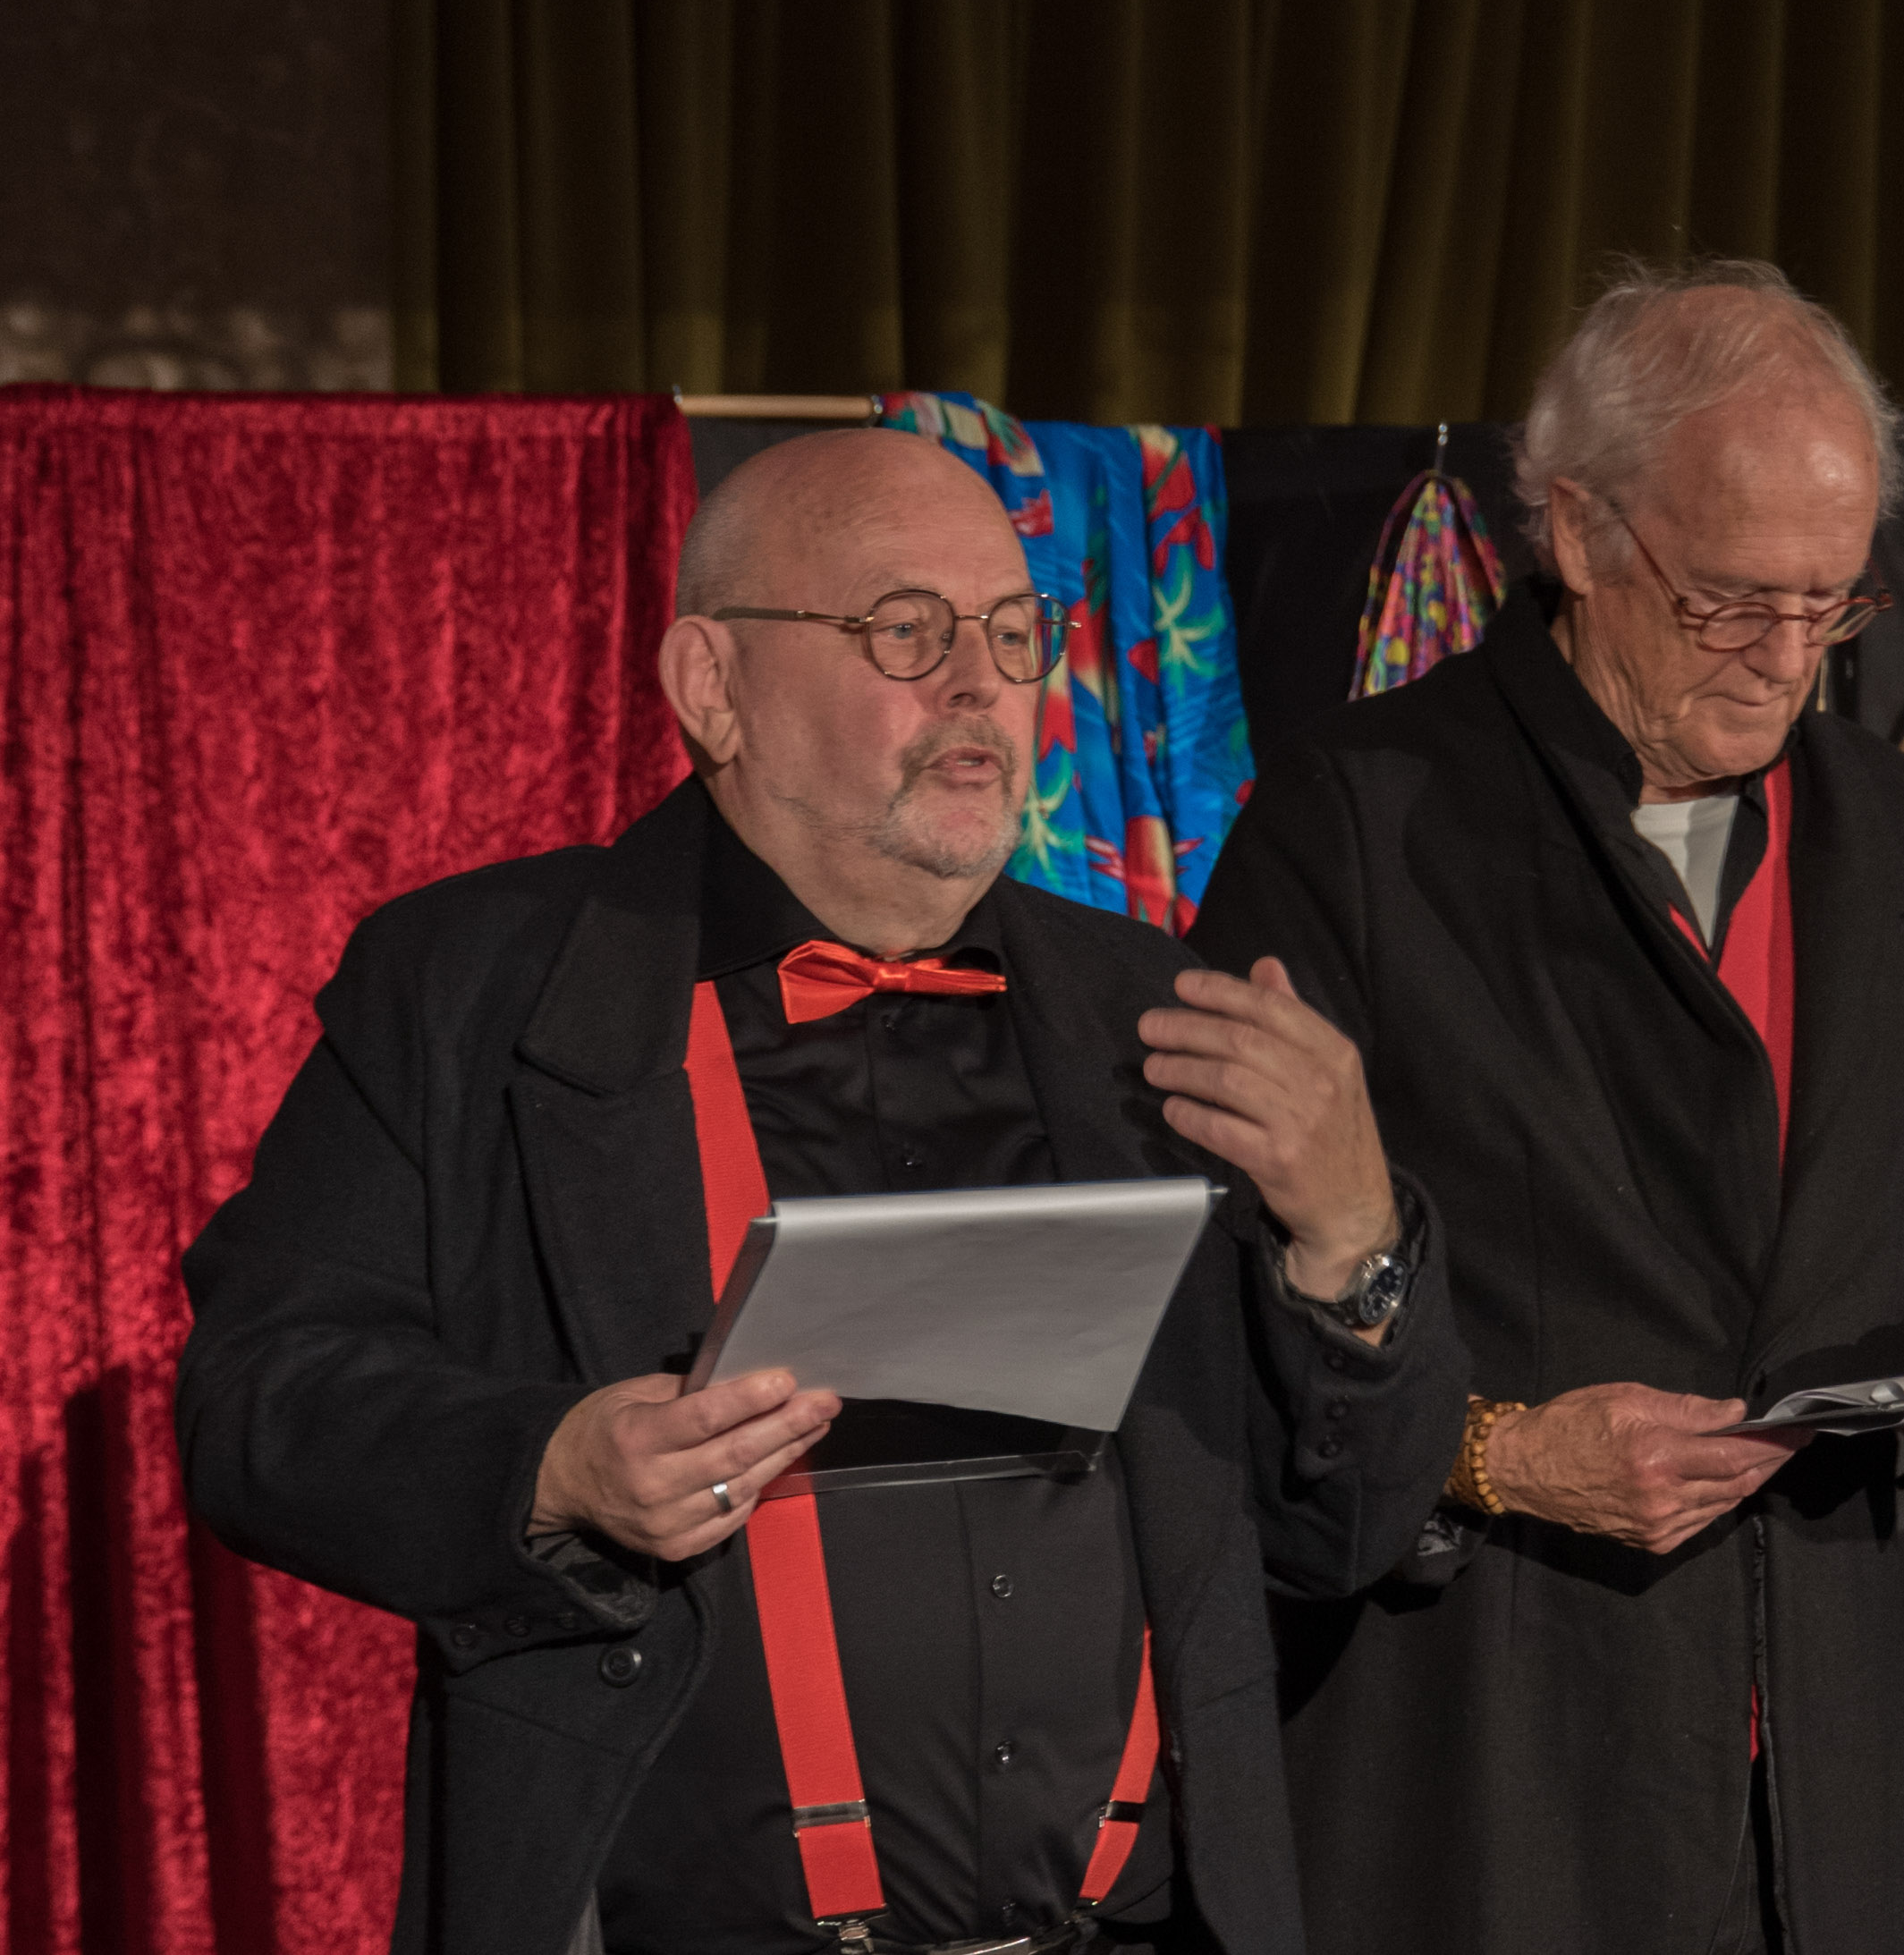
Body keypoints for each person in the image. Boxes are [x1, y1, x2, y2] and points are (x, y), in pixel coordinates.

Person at [177, 430, 1467, 1955]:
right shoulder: (470, 985)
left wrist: (1353, 1242)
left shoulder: (1151, 1007)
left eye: (1013, 631)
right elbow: (257, 1408)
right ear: (712, 684)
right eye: (905, 629)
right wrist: (555, 1466)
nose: (980, 684)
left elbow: (1336, 1535)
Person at [1188, 258, 1904, 1955]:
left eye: (1832, 606)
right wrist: (1501, 1457)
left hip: (1811, 1774)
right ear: (1582, 531)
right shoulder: (1360, 819)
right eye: (1733, 602)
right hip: (1493, 1757)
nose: (1785, 663)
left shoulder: (1886, 825)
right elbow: (1217, 1327)